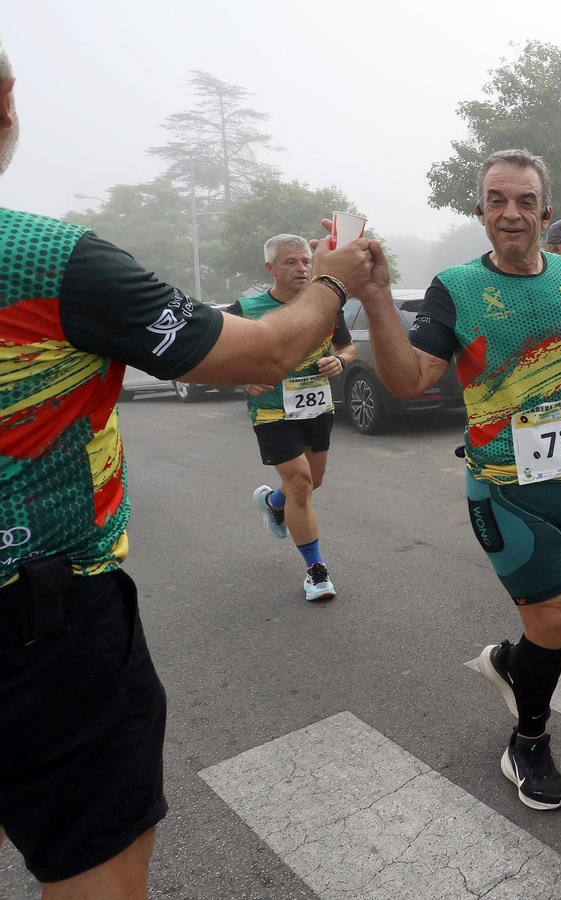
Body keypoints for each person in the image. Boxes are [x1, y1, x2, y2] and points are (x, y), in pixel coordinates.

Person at [0, 42, 378, 897]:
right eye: (288, 267)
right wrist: (335, 282)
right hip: (41, 617)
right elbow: (256, 359)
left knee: (310, 484)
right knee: (100, 867)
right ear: (9, 101)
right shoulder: (50, 260)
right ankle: (310, 559)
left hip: (47, 606)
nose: (291, 274)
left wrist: (332, 347)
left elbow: (319, 347)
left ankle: (289, 518)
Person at [359, 149, 561, 812]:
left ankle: (512, 663)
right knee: (552, 622)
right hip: (506, 489)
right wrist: (376, 297)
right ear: (482, 211)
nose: (510, 212)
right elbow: (409, 380)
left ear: (545, 213)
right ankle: (528, 740)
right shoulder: (454, 289)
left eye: (523, 201)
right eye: (497, 200)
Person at [230, 234, 355, 602]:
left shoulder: (326, 306)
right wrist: (241, 376)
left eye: (305, 261)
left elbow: (346, 346)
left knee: (312, 482)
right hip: (271, 411)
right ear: (270, 268)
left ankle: (272, 503)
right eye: (290, 262)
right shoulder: (246, 308)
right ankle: (316, 572)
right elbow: (215, 352)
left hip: (317, 407)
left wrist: (341, 360)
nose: (301, 268)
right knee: (300, 484)